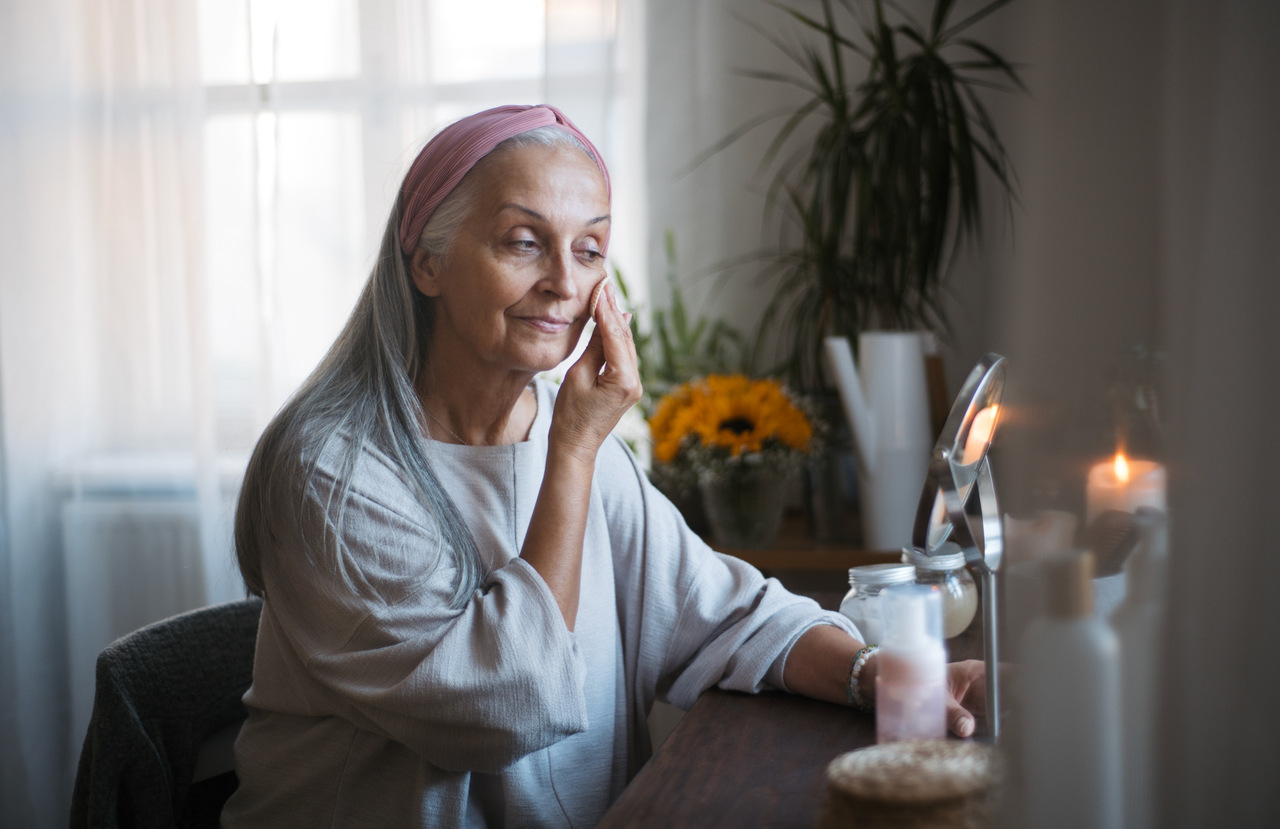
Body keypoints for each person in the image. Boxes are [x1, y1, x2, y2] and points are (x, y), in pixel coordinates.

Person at [221, 104, 985, 828]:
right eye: (524, 241)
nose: (562, 280)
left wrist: (873, 672)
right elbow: (505, 707)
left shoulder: (562, 428)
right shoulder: (332, 474)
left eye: (588, 249)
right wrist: (575, 452)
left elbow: (717, 610)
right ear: (427, 262)